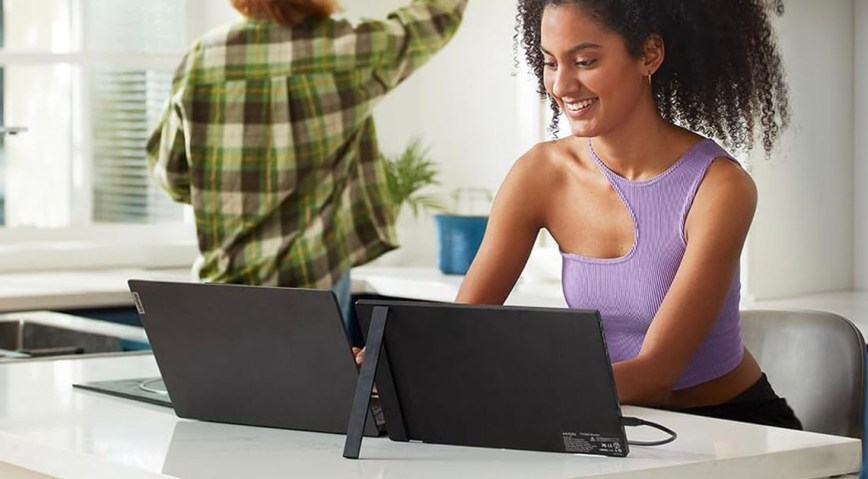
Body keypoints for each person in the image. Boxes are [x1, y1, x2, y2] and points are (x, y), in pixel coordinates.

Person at [454, 0, 801, 429]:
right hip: (619, 421)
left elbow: (656, 373)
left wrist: (520, 387)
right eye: (549, 62)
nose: (561, 84)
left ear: (649, 55)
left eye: (585, 61)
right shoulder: (540, 174)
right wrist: (392, 365)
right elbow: (460, 330)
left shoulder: (719, 187)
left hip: (732, 427)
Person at [146, 0, 468, 330]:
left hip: (220, 291)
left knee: (221, 383)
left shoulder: (202, 58)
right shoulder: (346, 49)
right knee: (315, 383)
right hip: (312, 287)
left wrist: (234, 197)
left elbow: (171, 175)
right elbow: (436, 15)